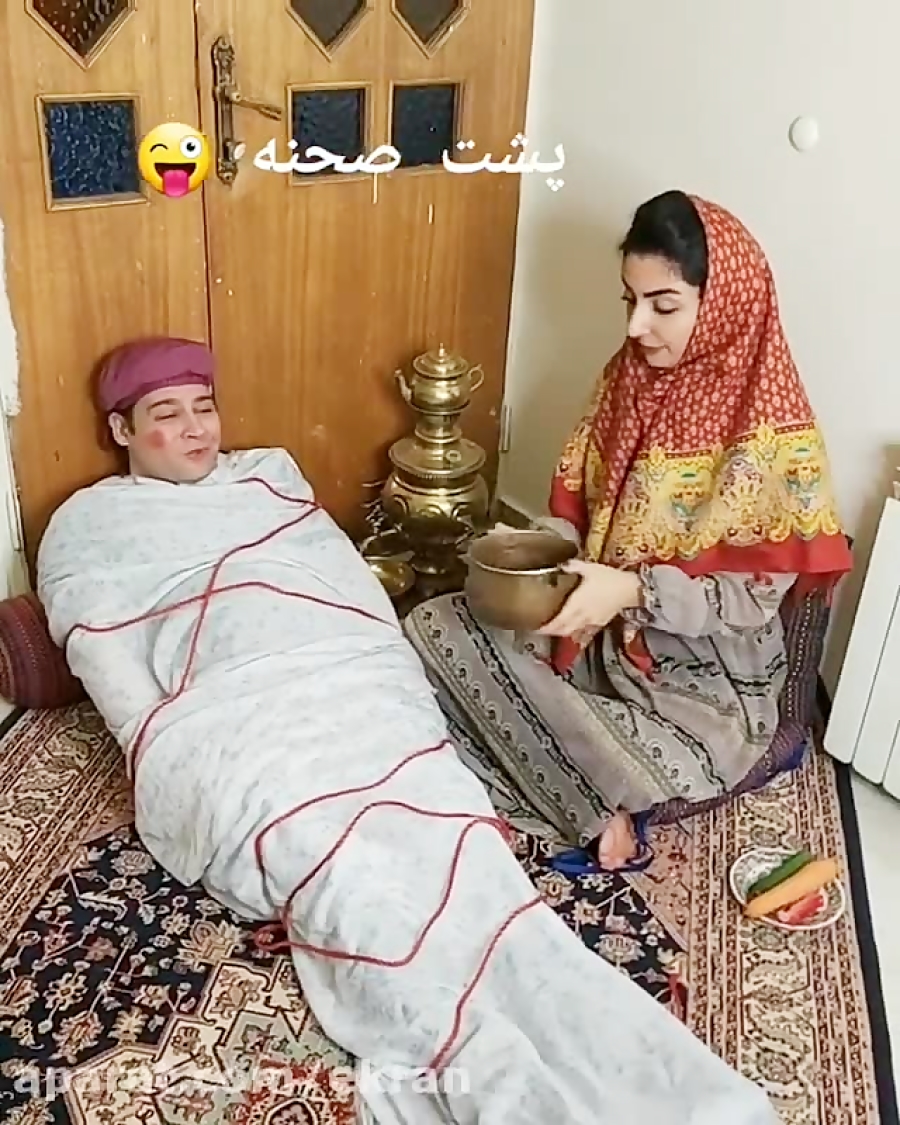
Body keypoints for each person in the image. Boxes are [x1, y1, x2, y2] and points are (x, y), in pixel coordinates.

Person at [36, 336, 780, 1124]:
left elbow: (348, 586)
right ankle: (482, 1071)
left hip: (349, 678)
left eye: (204, 406)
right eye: (166, 414)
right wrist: (173, 751)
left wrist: (384, 669)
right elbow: (111, 670)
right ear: (120, 429)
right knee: (350, 880)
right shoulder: (89, 525)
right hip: (236, 713)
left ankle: (655, 1076)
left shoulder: (268, 477)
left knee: (466, 856)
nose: (195, 428)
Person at [404, 190, 853, 872]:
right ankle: (579, 779)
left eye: (663, 305)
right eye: (630, 301)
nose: (638, 325)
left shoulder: (773, 430)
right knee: (433, 624)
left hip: (699, 682)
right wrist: (532, 560)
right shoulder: (626, 377)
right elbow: (581, 516)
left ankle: (583, 799)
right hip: (597, 637)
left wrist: (633, 592)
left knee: (664, 755)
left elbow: (750, 603)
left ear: (724, 302)